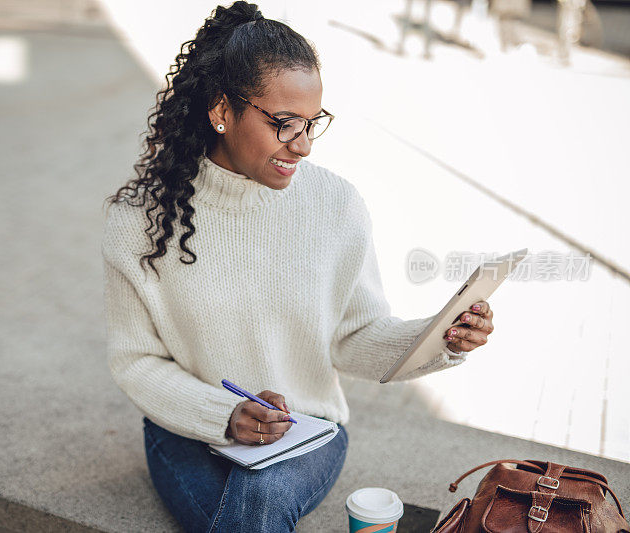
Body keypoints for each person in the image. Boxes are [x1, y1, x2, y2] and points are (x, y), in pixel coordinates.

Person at [101, 2, 495, 531]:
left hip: (306, 434)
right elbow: (136, 360)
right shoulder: (140, 220)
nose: (304, 146)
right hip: (186, 432)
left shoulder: (336, 205)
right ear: (222, 110)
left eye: (313, 123)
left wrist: (440, 337)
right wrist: (223, 415)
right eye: (284, 124)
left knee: (259, 503)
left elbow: (353, 336)